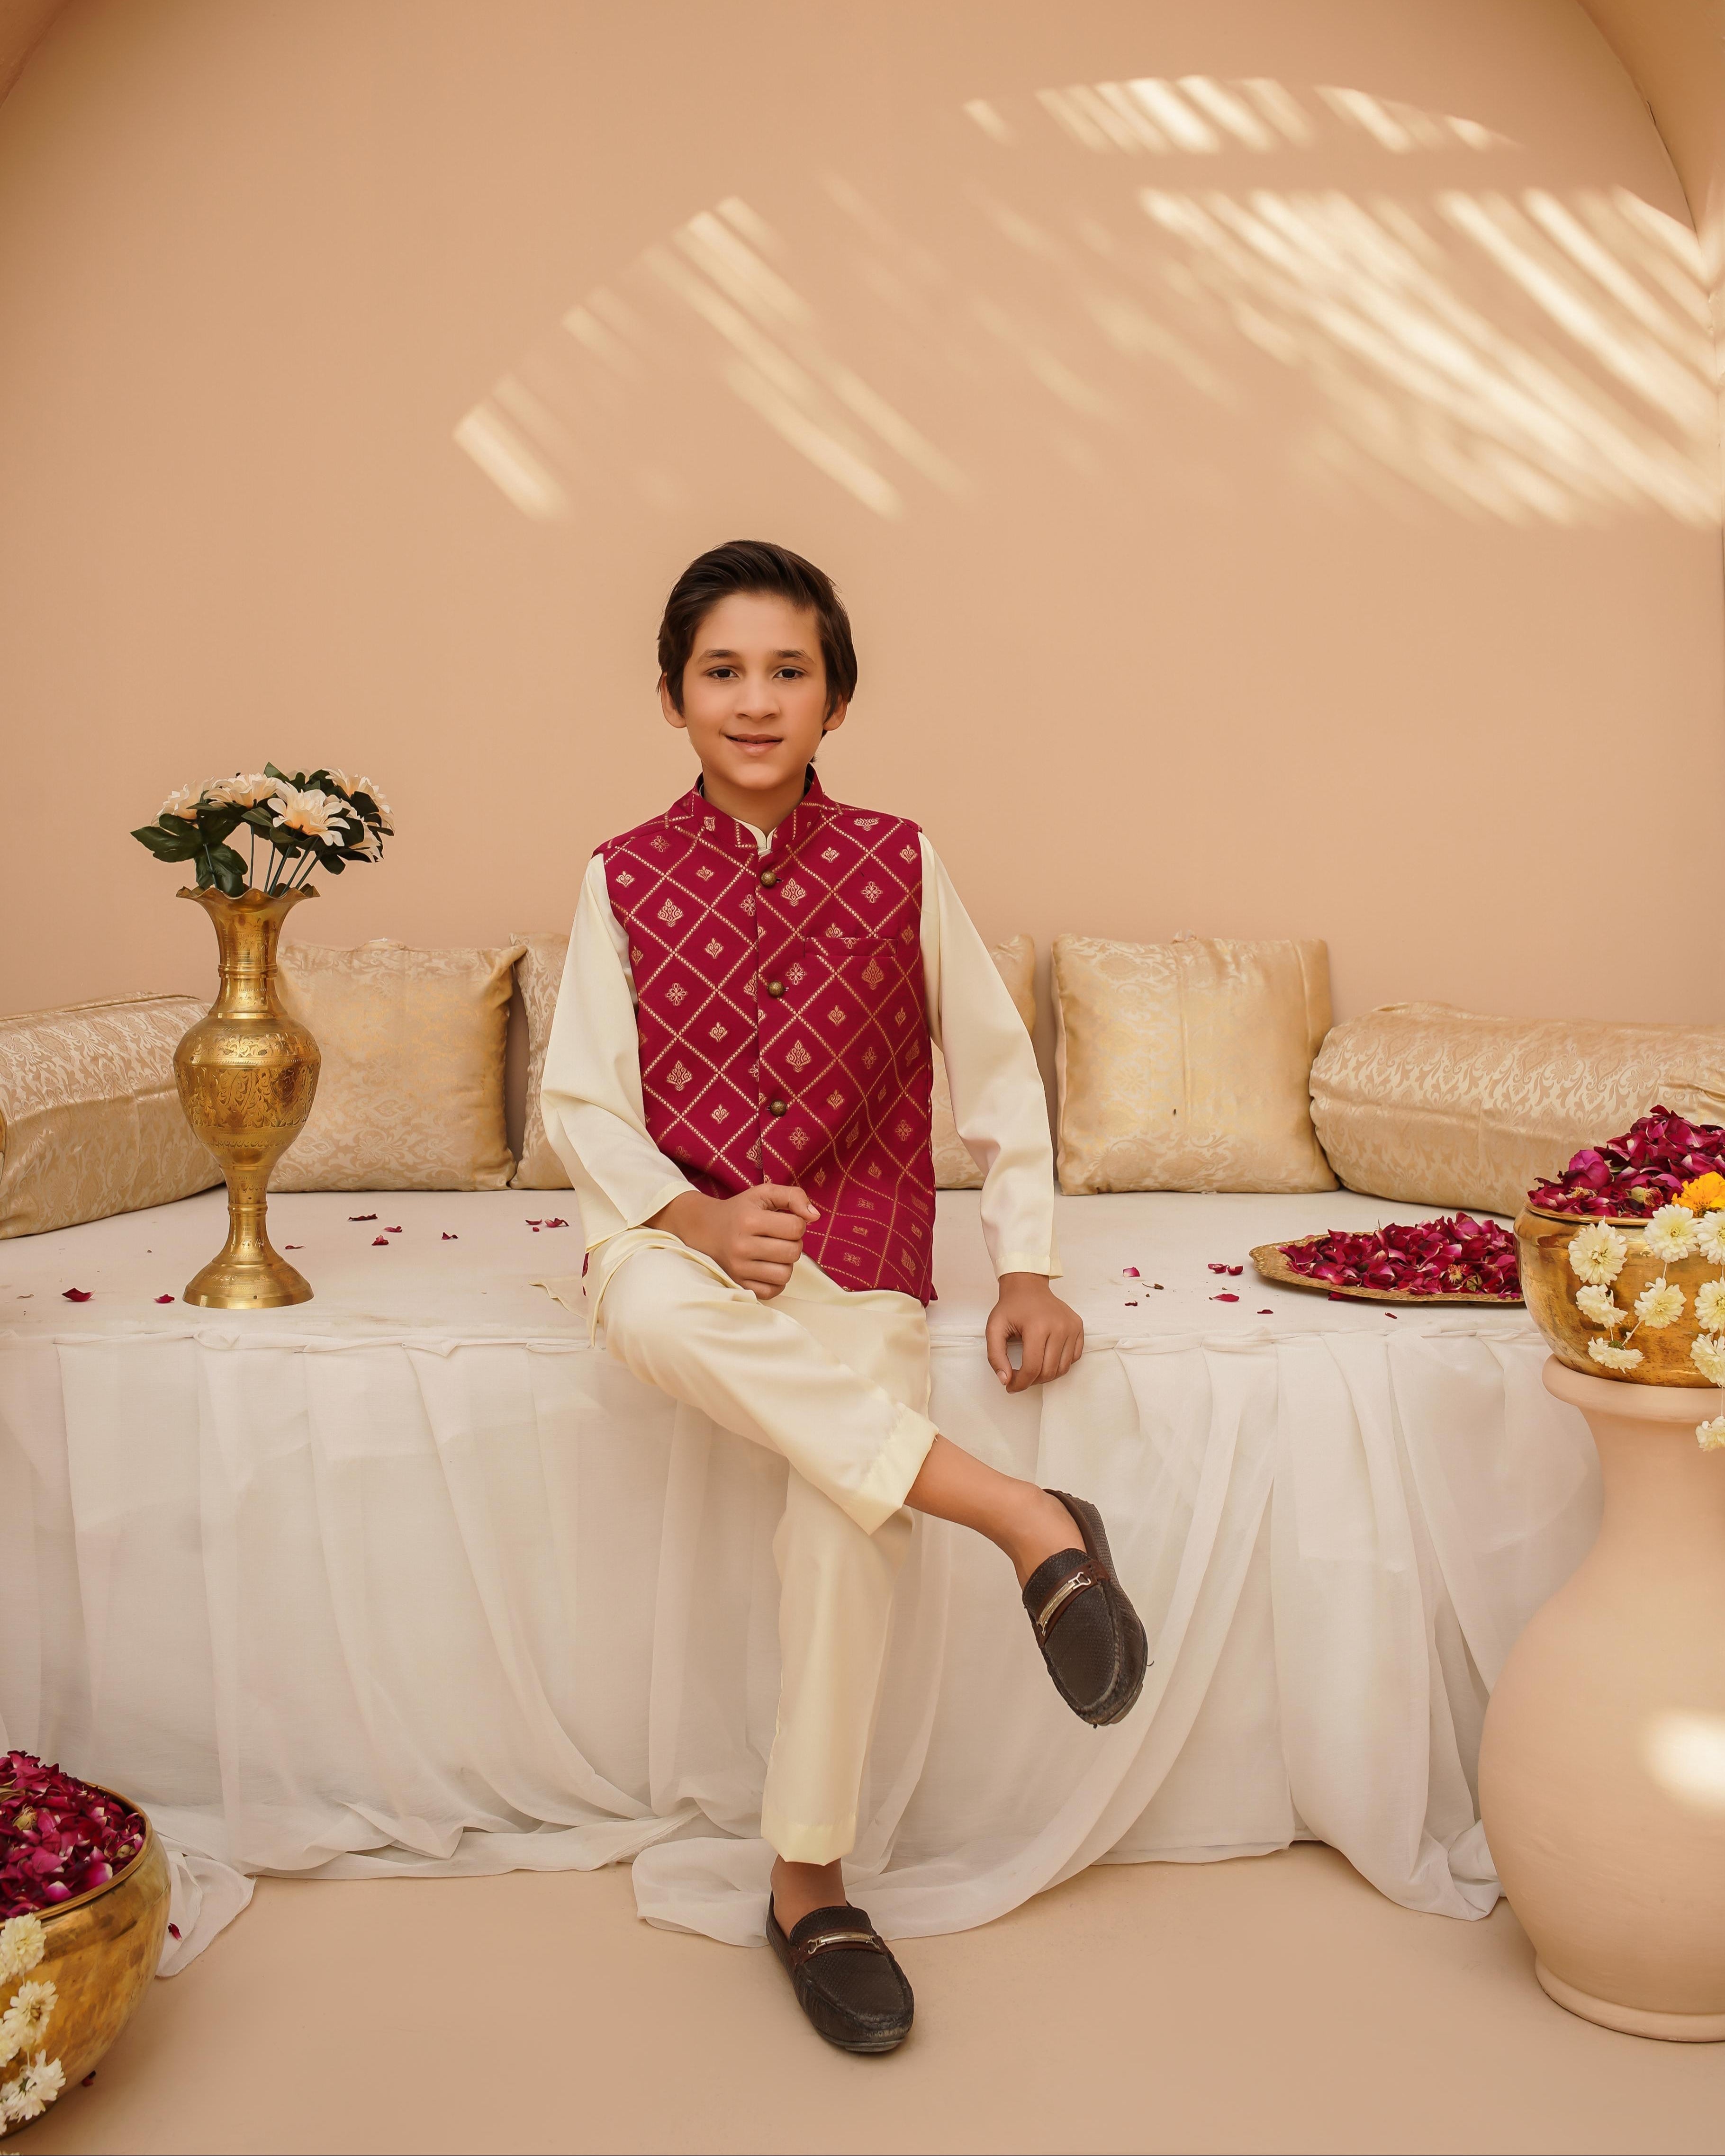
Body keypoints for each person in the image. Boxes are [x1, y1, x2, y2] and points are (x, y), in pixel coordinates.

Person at [542, 539, 1147, 2053]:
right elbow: (583, 1104)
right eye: (721, 671)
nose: (754, 701)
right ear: (672, 698)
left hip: (857, 1247)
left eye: (787, 671)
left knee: (845, 1518)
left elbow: (995, 1070)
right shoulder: (619, 876)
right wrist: (693, 1216)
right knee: (653, 1311)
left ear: (836, 698)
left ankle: (805, 1886)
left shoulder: (902, 862)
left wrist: (1024, 1261)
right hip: (678, 1249)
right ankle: (1024, 1518)